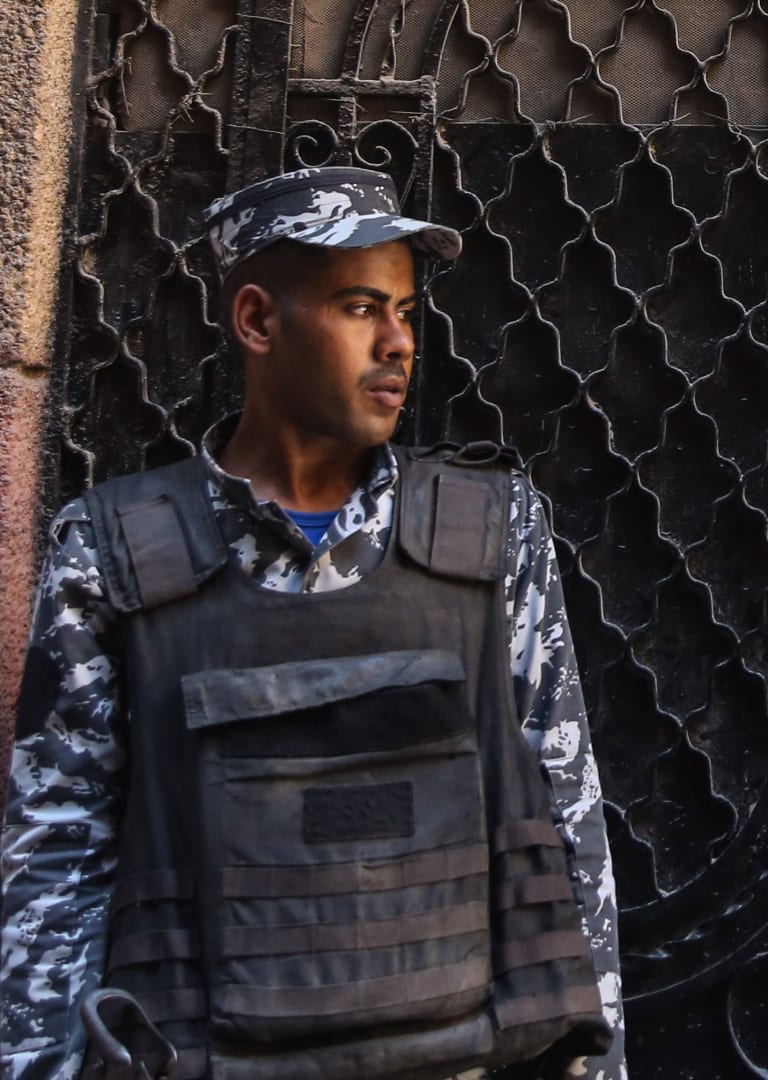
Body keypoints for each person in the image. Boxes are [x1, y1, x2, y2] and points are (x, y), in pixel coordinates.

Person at [0, 167, 625, 1079]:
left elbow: (567, 820)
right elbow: (58, 854)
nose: (398, 342)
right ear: (258, 321)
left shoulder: (495, 532)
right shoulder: (111, 550)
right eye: (360, 307)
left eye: (405, 311)